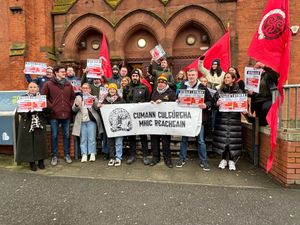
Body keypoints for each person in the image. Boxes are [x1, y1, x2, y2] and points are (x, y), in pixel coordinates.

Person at [175, 68, 212, 171]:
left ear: (196, 76)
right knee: (184, 140)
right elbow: (178, 97)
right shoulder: (183, 85)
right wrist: (178, 99)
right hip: (186, 118)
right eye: (189, 75)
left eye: (193, 75)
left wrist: (205, 104)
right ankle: (181, 158)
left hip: (199, 119)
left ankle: (203, 160)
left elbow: (210, 101)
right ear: (187, 75)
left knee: (200, 141)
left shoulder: (202, 87)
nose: (191, 77)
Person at [42, 65, 75, 166]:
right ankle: (54, 156)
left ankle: (67, 154)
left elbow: (72, 98)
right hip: (54, 115)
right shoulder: (48, 84)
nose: (64, 73)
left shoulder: (69, 85)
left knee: (66, 135)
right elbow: (43, 97)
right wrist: (51, 107)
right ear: (56, 72)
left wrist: (70, 106)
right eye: (61, 72)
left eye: (64, 72)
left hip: (66, 114)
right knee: (54, 136)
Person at [213, 72, 244, 171]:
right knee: (223, 140)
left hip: (234, 119)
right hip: (222, 118)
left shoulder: (239, 91)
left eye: (228, 77)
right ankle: (223, 159)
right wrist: (216, 103)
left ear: (233, 79)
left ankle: (231, 160)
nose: (226, 79)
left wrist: (243, 109)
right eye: (225, 77)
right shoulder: (220, 91)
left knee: (232, 140)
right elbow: (213, 104)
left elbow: (242, 104)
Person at [16, 82, 49, 171]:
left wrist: (45, 108)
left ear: (38, 88)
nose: (33, 88)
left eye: (34, 87)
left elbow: (49, 110)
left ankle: (41, 161)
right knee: (29, 143)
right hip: (27, 123)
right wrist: (27, 112)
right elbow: (19, 110)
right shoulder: (23, 98)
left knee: (40, 142)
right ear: (28, 88)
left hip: (39, 122)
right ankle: (32, 162)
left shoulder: (42, 98)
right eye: (31, 87)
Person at [72, 83, 103, 162]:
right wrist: (76, 105)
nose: (85, 89)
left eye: (87, 88)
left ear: (90, 89)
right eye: (83, 88)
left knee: (91, 138)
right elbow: (74, 110)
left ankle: (92, 153)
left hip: (91, 120)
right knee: (83, 139)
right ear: (81, 89)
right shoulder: (78, 97)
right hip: (81, 121)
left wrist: (94, 100)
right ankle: (84, 154)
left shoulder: (92, 97)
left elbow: (97, 107)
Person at [150, 75, 176, 168]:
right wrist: (151, 103)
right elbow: (150, 103)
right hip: (155, 122)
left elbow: (174, 105)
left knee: (166, 141)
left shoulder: (171, 93)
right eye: (159, 82)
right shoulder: (154, 92)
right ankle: (155, 158)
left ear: (166, 84)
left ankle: (167, 159)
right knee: (154, 140)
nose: (160, 84)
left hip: (165, 122)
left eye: (162, 83)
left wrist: (164, 103)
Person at [126, 69, 151, 165]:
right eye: (133, 76)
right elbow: (124, 101)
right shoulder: (127, 87)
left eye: (136, 76)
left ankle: (145, 156)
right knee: (131, 137)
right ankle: (132, 156)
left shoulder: (144, 88)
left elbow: (148, 101)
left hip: (141, 117)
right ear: (131, 77)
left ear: (139, 77)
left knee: (143, 137)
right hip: (130, 117)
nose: (135, 78)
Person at [100, 83, 126, 166]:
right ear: (108, 90)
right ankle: (112, 157)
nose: (112, 90)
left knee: (118, 142)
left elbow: (125, 109)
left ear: (116, 91)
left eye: (113, 89)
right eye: (110, 89)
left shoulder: (120, 100)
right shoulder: (105, 100)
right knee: (110, 142)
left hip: (119, 125)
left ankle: (118, 157)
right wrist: (100, 106)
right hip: (109, 125)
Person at [248, 62, 279, 126]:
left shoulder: (268, 75)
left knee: (265, 111)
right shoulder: (253, 77)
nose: (258, 69)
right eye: (257, 67)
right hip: (256, 102)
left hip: (267, 100)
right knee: (260, 124)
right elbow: (250, 92)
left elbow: (276, 75)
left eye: (259, 67)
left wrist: (264, 66)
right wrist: (249, 92)